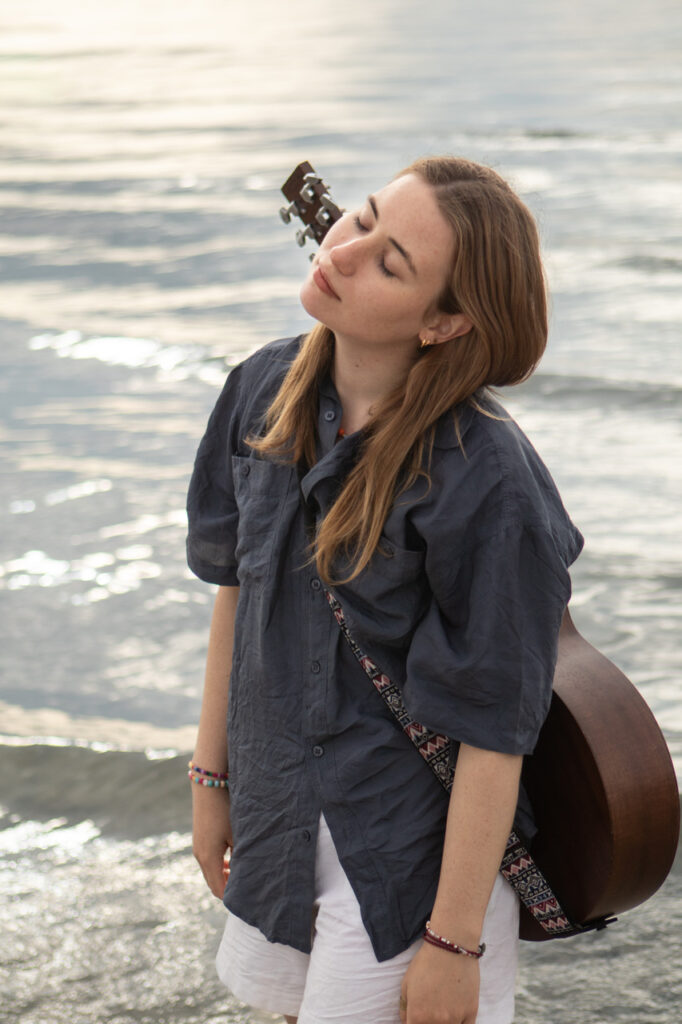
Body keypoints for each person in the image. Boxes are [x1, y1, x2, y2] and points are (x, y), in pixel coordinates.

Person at [186, 156, 583, 1024]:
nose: (345, 249)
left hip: (407, 868)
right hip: (276, 819)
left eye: (391, 261)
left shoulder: (487, 481)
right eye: (363, 218)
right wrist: (210, 782)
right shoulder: (261, 387)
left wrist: (453, 944)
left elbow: (495, 728)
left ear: (443, 324)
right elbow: (237, 598)